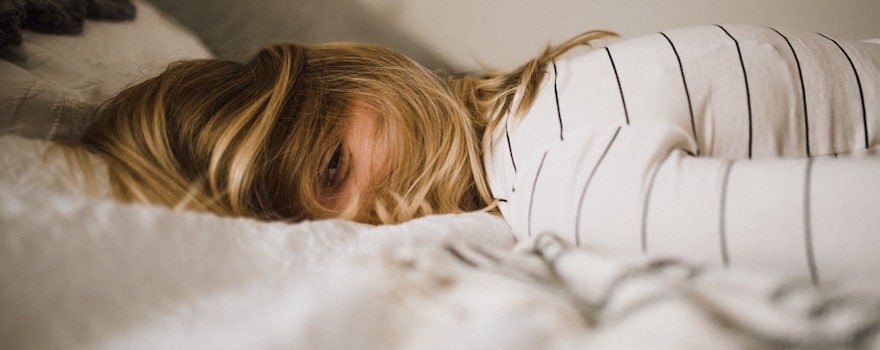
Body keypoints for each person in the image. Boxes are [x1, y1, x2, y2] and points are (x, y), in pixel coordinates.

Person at [69, 24, 880, 280]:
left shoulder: (558, 177)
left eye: (331, 168)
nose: (364, 223)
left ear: (361, 74)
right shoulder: (542, 98)